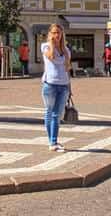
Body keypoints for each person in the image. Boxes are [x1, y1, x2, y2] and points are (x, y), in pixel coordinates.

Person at [41, 24, 71, 152]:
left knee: (57, 115)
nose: (57, 35)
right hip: (50, 84)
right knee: (50, 113)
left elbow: (67, 68)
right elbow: (51, 57)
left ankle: (53, 141)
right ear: (50, 34)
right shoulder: (45, 46)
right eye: (54, 33)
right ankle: (52, 142)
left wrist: (70, 87)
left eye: (59, 33)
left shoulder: (66, 50)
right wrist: (53, 44)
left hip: (63, 85)